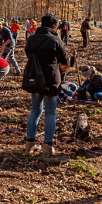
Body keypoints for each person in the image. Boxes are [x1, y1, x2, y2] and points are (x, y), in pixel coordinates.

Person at [23, 13, 69, 156]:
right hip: (51, 80)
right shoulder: (56, 40)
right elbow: (65, 61)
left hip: (35, 78)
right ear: (54, 26)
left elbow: (28, 54)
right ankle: (47, 146)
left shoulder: (31, 39)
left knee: (35, 110)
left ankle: (29, 144)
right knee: (50, 112)